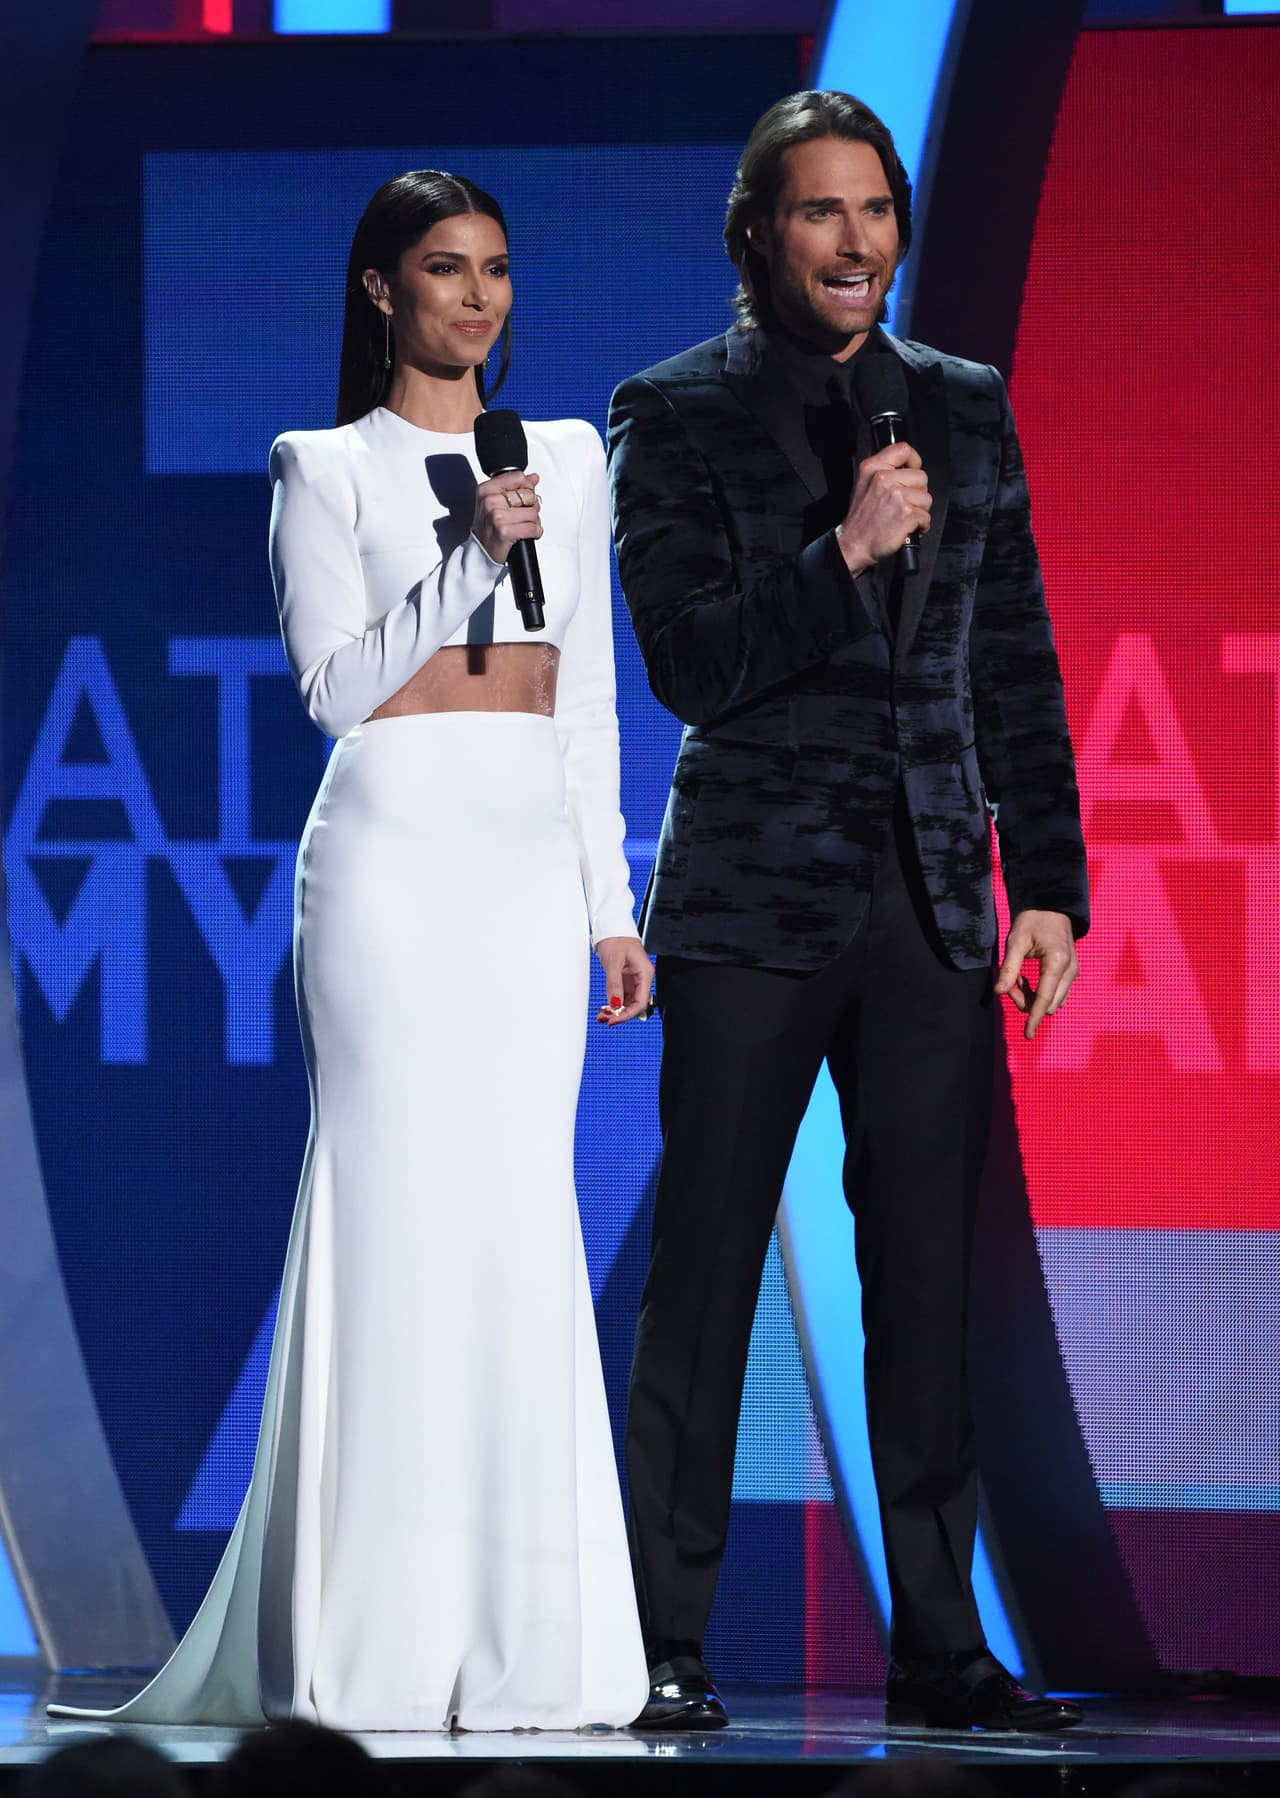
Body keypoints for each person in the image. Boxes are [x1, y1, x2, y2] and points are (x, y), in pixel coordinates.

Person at [51, 169, 651, 1733]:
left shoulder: (570, 461)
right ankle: (366, 1642)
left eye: (498, 270)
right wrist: (464, 555)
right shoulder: (322, 464)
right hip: (389, 859)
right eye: (445, 270)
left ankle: (529, 1642)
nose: (479, 298)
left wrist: (610, 904)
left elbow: (582, 705)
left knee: (517, 1216)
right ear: (379, 290)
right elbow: (333, 689)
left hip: (525, 865)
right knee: (392, 1212)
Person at [607, 91, 1088, 1733]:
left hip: (935, 895)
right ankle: (662, 1637)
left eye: (876, 210)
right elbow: (689, 660)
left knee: (927, 1289)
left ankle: (943, 1644)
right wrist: (844, 548)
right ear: (758, 235)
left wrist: (1053, 890)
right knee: (709, 1277)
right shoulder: (669, 412)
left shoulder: (960, 404)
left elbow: (1011, 653)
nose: (859, 241)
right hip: (750, 897)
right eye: (822, 213)